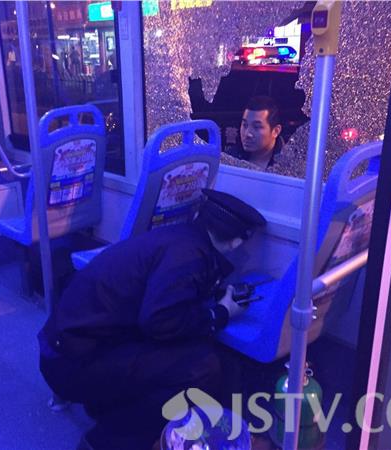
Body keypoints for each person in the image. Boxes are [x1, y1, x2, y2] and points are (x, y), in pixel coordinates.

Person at [38, 189, 266, 450]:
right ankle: (104, 441)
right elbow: (160, 322)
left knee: (190, 354)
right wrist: (221, 313)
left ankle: (106, 407)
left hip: (71, 348)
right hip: (72, 363)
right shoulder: (189, 256)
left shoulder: (180, 238)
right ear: (236, 242)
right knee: (202, 367)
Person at [229, 95, 284, 170]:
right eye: (245, 125)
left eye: (256, 127)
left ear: (276, 131)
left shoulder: (289, 165)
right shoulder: (230, 158)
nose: (247, 134)